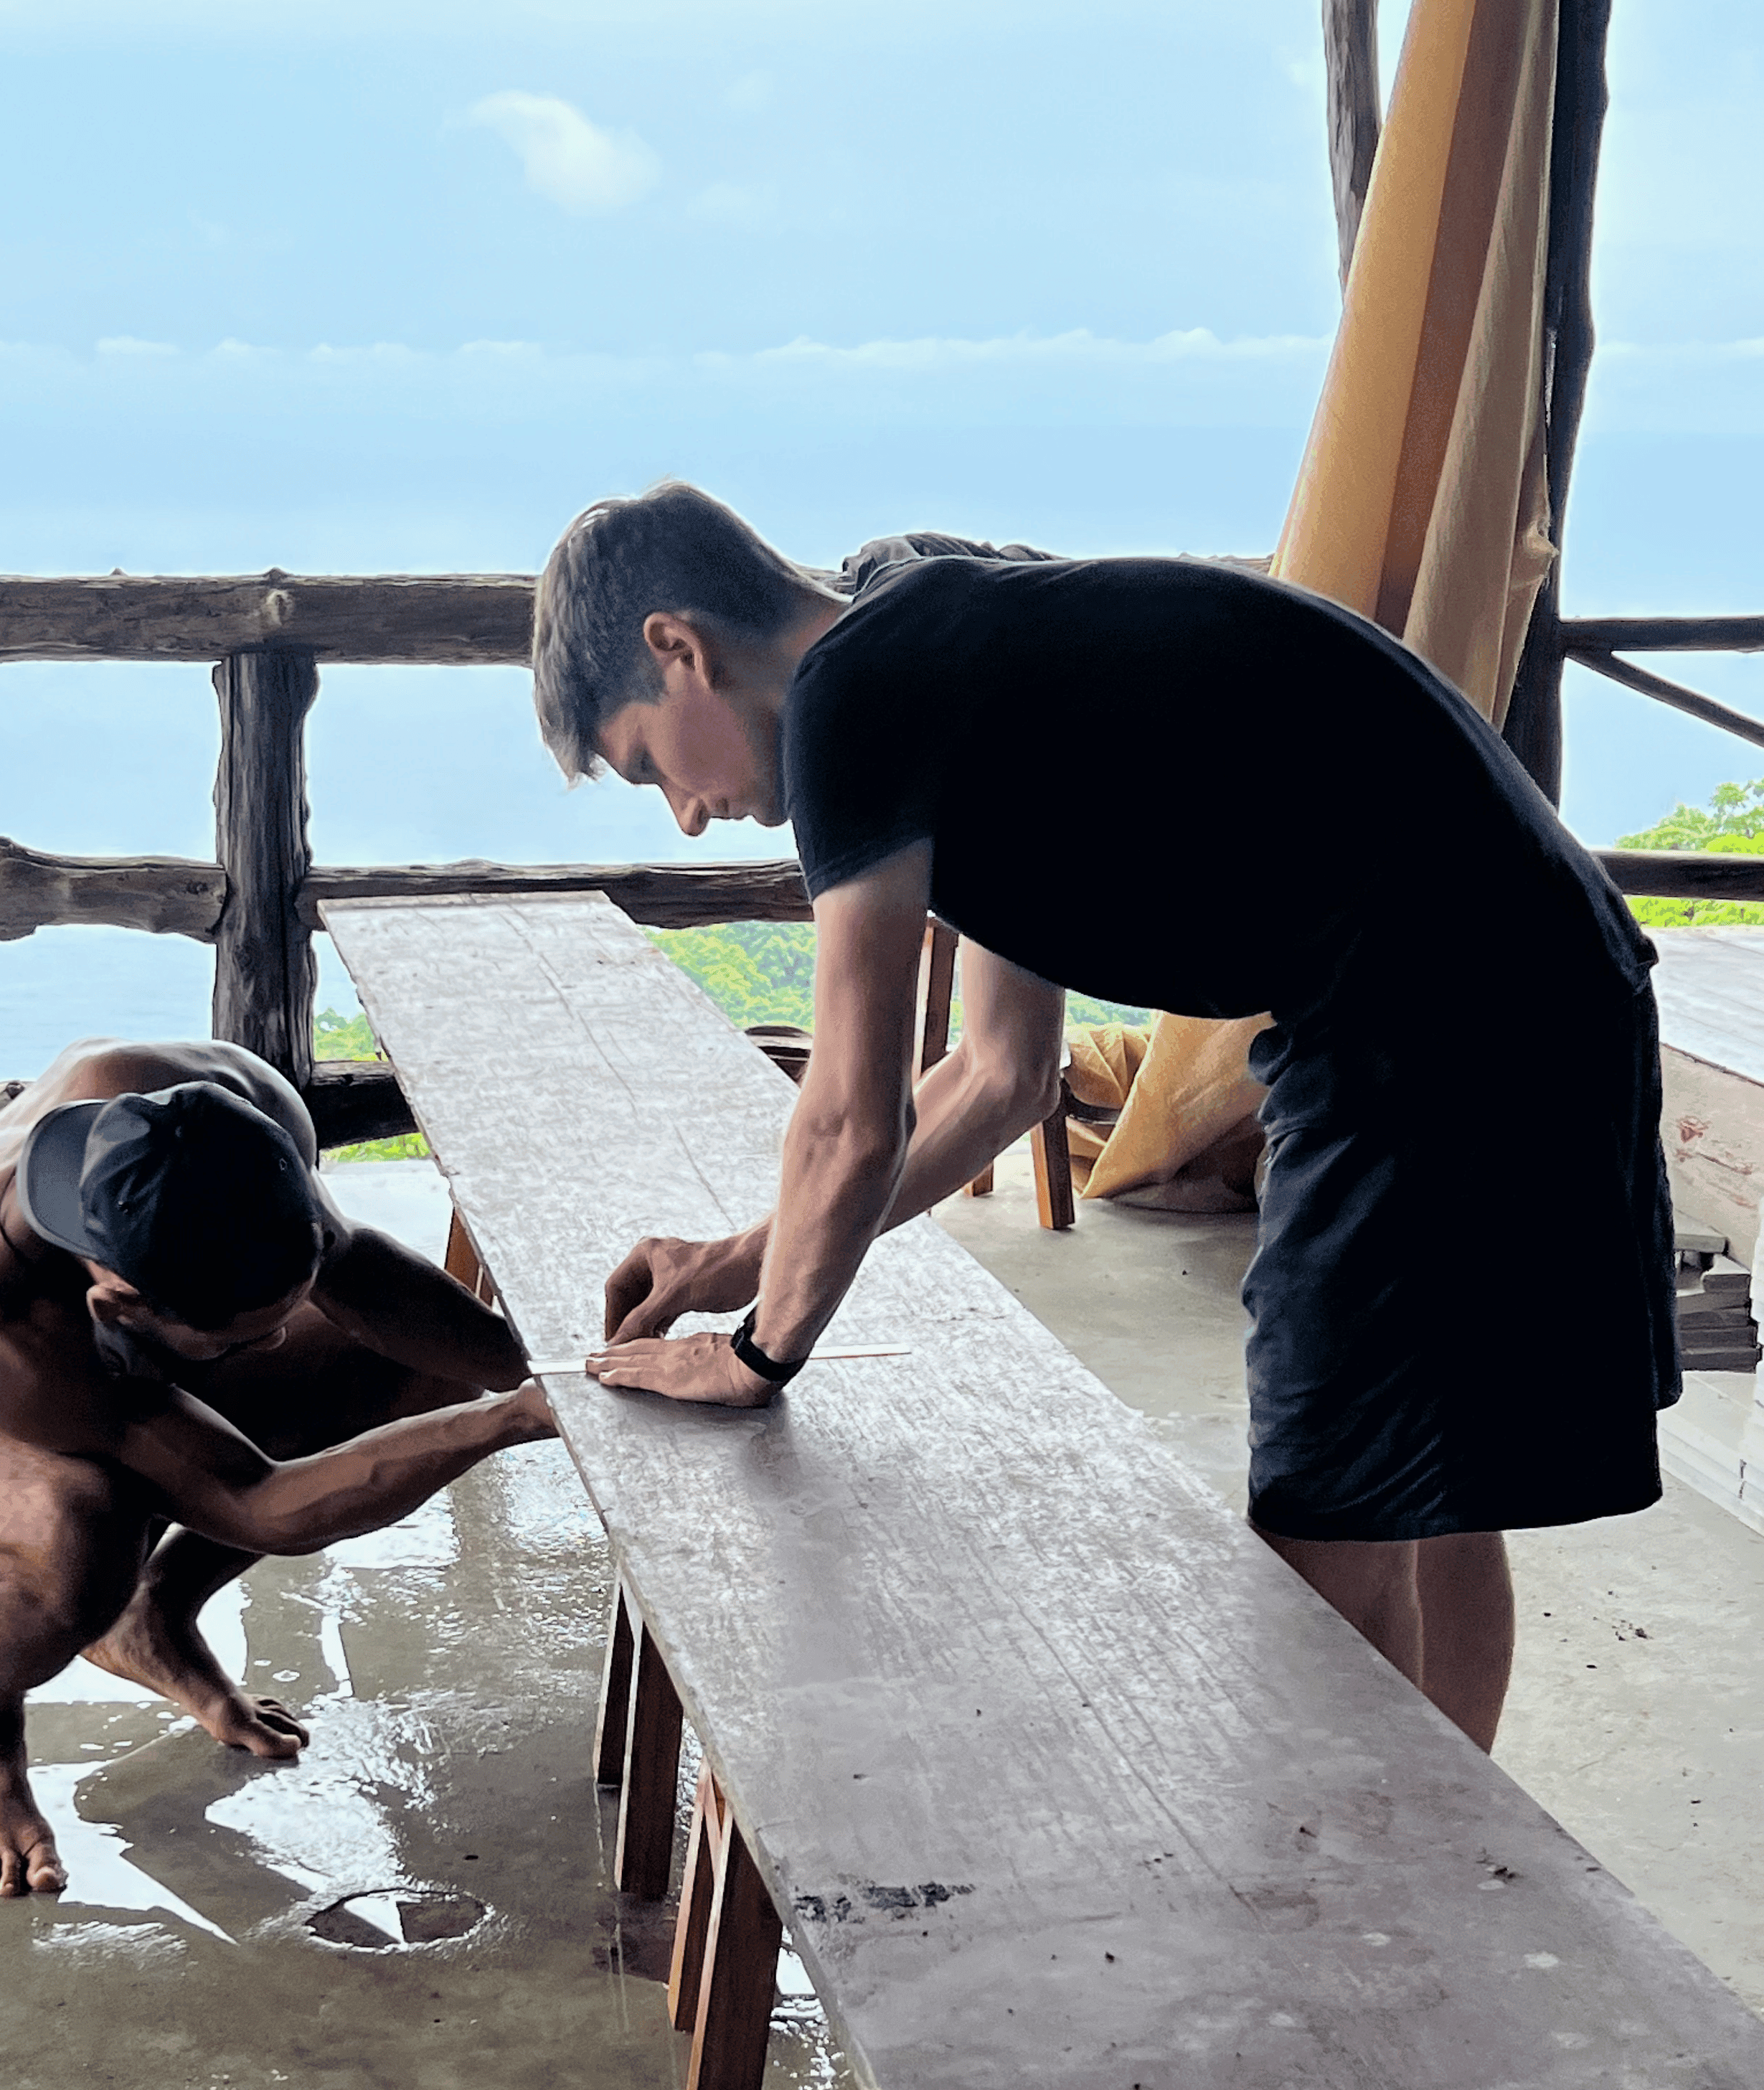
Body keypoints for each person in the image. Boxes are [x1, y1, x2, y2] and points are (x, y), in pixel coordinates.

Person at [532, 483, 1679, 1753]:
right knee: (1431, 1489)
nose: (684, 815)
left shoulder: (850, 693)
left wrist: (754, 1353)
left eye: (649, 767)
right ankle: (1451, 1878)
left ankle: (1348, 1916)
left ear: (675, 649)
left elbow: (848, 1115)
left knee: (1323, 1524)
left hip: (1430, 1020)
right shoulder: (911, 620)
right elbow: (996, 1076)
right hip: (1538, 974)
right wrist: (732, 1261)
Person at [0, 1038, 553, 1897]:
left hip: (101, 1370)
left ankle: (153, 1613)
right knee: (77, 1522)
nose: (279, 1345)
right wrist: (504, 1421)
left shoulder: (220, 1103)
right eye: (248, 1339)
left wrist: (553, 1373)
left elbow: (354, 1267)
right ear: (118, 1303)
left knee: (417, 1356)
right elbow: (253, 1500)